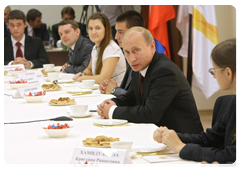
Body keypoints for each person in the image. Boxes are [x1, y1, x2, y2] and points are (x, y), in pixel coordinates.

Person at [97, 27, 203, 134]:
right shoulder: (138, 66)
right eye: (127, 52)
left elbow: (150, 114)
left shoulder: (164, 71)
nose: (131, 58)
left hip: (183, 140)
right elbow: (132, 97)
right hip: (159, 133)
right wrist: (113, 103)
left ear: (152, 46)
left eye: (136, 50)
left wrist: (112, 111)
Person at [153, 38, 238, 163]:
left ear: (228, 73)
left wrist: (180, 147)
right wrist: (172, 137)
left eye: (214, 70)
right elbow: (211, 138)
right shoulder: (236, 101)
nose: (214, 76)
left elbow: (230, 157)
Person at [99, 10, 144, 97]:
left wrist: (114, 90)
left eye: (120, 32)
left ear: (134, 32)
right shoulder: (130, 57)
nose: (116, 37)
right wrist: (109, 87)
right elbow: (128, 91)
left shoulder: (143, 60)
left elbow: (139, 99)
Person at [73, 12, 126, 85]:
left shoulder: (111, 49)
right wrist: (83, 74)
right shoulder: (95, 47)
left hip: (115, 92)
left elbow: (104, 78)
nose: (93, 32)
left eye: (98, 28)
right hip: (102, 90)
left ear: (106, 29)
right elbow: (90, 69)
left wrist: (82, 79)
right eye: (90, 28)